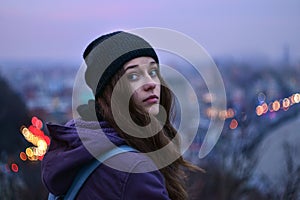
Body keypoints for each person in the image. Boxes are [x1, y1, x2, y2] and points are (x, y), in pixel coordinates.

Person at [41, 31, 201, 200]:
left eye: (153, 72)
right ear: (110, 91)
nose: (151, 83)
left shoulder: (83, 144)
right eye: (133, 76)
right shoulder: (134, 171)